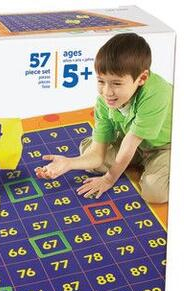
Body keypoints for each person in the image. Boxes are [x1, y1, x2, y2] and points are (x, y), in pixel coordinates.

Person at [35, 33, 172, 203]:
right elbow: (97, 154)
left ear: (142, 78)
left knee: (154, 193)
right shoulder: (104, 101)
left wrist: (109, 178)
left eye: (117, 83)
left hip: (164, 147)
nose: (107, 92)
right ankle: (136, 162)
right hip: (134, 145)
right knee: (90, 155)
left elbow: (131, 142)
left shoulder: (157, 93)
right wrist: (69, 163)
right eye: (101, 81)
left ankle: (151, 165)